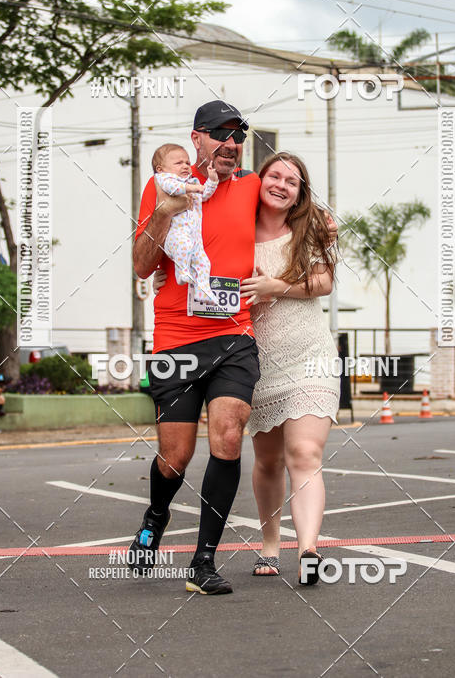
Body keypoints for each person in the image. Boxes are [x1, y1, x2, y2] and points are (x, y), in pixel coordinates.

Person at [130, 100, 261, 595]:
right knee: (176, 457)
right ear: (197, 139)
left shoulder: (251, 186)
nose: (231, 144)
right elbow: (143, 265)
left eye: (239, 136)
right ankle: (155, 515)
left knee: (227, 437)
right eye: (221, 135)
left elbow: (298, 216)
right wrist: (164, 214)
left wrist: (323, 239)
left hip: (234, 336)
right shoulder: (166, 185)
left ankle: (203, 561)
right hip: (177, 339)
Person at [240, 153, 338, 586]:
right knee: (267, 460)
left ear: (300, 193)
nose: (282, 184)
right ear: (259, 181)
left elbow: (324, 283)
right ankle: (269, 543)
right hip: (258, 363)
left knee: (304, 453)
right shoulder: (236, 229)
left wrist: (276, 287)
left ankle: (308, 550)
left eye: (292, 181)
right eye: (275, 176)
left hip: (311, 355)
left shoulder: (308, 229)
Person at [152, 142, 218, 303]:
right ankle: (181, 272)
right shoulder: (163, 178)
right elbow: (173, 188)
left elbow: (204, 194)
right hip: (176, 235)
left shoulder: (192, 182)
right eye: (178, 163)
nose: (185, 166)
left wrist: (212, 181)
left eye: (188, 163)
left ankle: (203, 291)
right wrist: (192, 188)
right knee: (185, 246)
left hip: (194, 236)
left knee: (204, 262)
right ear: (161, 168)